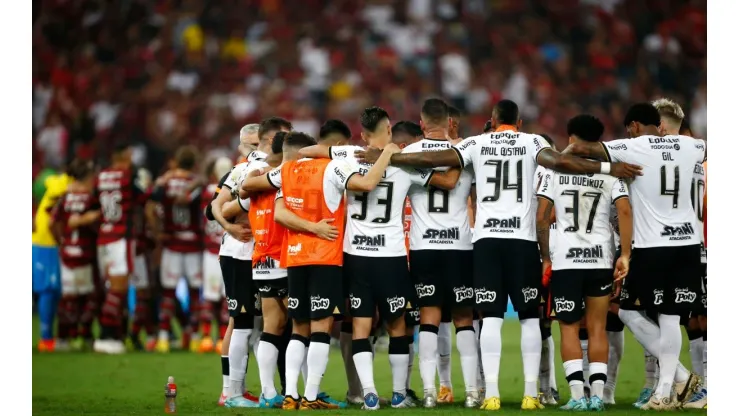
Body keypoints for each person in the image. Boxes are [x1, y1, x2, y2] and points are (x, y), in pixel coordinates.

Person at [354, 99, 642, 411]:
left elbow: (435, 157)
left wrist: (391, 156)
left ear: (493, 118)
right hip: (521, 241)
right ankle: (531, 394)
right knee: (530, 317)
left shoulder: (476, 143)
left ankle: (489, 393)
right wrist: (607, 168)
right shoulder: (533, 141)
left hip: (486, 242)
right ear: (519, 121)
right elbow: (560, 163)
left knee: (489, 317)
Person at [563, 103, 705, 410]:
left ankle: (672, 384)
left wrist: (610, 167)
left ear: (635, 126)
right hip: (688, 243)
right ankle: (670, 387)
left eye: (630, 127)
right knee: (669, 317)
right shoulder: (693, 145)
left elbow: (578, 150)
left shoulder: (631, 146)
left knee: (627, 311)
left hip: (652, 246)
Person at [244, 131, 399, 409]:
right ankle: (311, 397)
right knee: (321, 329)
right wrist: (387, 153)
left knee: (298, 328)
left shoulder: (287, 171)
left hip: (294, 258)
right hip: (325, 257)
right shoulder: (332, 167)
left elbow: (266, 201)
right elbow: (366, 184)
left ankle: (291, 394)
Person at [536, 115, 633, 411]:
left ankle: (577, 396)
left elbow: (542, 217)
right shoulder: (611, 173)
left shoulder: (552, 171)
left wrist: (546, 256)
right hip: (600, 258)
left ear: (570, 137)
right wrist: (625, 254)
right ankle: (598, 396)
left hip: (567, 260)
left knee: (567, 327)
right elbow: (625, 212)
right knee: (597, 328)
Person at [209, 117, 292, 407]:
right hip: (239, 254)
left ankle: (250, 390)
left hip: (259, 255)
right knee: (242, 324)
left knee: (256, 326)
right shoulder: (246, 169)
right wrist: (229, 226)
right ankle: (230, 392)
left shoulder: (265, 169)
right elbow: (213, 209)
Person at [402, 99, 479, 408]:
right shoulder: (467, 153)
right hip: (460, 246)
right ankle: (473, 392)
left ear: (421, 124)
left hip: (424, 247)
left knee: (429, 319)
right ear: (450, 123)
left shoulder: (406, 155)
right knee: (464, 319)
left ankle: (430, 393)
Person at [93, 142, 148, 354]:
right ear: (124, 155)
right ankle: (105, 336)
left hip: (103, 236)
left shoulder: (101, 176)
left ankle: (114, 334)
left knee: (111, 289)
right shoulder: (127, 175)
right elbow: (143, 197)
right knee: (118, 288)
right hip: (120, 238)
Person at [150, 146, 205, 353]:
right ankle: (195, 337)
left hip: (171, 243)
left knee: (168, 292)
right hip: (192, 244)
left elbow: (151, 204)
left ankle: (163, 337)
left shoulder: (165, 182)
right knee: (193, 293)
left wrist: (158, 231)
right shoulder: (197, 183)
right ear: (193, 163)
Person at [50, 159, 100, 351]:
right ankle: (84, 335)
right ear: (88, 178)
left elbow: (52, 223)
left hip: (68, 252)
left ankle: (63, 337)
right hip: (85, 251)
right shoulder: (91, 198)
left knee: (68, 298)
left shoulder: (65, 197)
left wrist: (61, 241)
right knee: (88, 297)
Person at [533, 134, 560, 406]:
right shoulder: (541, 172)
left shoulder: (551, 174)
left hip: (548, 254)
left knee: (545, 324)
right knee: (544, 324)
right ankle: (547, 387)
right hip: (541, 254)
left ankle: (548, 386)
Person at [33, 169, 70, 351]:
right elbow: (51, 220)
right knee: (48, 289)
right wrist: (61, 240)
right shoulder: (63, 185)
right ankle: (46, 339)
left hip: (44, 240)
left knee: (54, 291)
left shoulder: (54, 179)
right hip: (45, 242)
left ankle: (53, 338)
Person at [199, 157, 232, 354]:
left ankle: (205, 336)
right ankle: (219, 337)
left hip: (211, 251)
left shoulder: (205, 191)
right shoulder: (233, 188)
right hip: (225, 248)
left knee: (210, 296)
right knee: (224, 297)